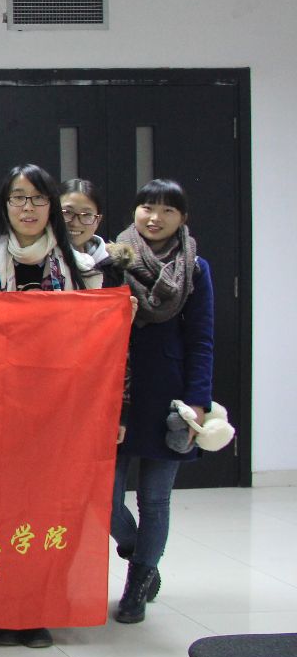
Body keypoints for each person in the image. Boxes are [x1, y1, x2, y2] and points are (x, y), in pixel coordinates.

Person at [0, 163, 99, 649]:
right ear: (5, 205)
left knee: (50, 509)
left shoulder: (80, 267)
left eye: (38, 199)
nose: (28, 208)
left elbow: (94, 339)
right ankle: (1, 608)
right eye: (18, 198)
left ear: (51, 207)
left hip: (56, 411)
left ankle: (38, 609)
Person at [111, 180, 213, 625]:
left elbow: (201, 339)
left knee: (155, 500)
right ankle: (139, 551)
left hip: (169, 396)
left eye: (168, 210)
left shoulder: (196, 269)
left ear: (182, 219)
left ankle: (138, 582)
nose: (155, 217)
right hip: (117, 393)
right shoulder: (113, 259)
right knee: (105, 501)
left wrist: (198, 402)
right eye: (147, 207)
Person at [61, 178, 131, 288]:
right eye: (67, 212)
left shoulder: (112, 267)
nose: (75, 223)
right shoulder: (41, 261)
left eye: (86, 215)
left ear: (98, 220)